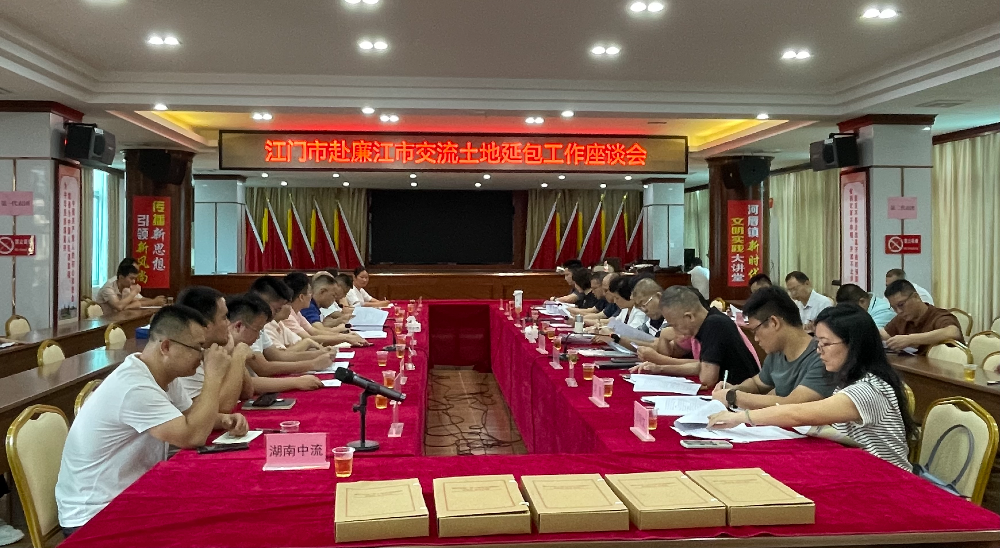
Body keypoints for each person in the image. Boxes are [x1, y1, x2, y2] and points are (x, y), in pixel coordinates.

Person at [55, 306, 249, 533]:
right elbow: (191, 436)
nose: (202, 355)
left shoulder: (163, 374)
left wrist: (223, 420)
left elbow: (189, 417)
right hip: (96, 513)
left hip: (131, 494)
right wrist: (213, 377)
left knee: (220, 506)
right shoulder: (134, 387)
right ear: (166, 347)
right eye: (197, 348)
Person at [708, 304, 915, 472]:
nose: (819, 351)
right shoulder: (848, 380)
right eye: (818, 343)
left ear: (853, 345)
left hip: (890, 478)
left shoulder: (869, 389)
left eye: (825, 344)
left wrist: (741, 417)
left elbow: (797, 413)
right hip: (860, 468)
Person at [711, 287, 836, 410]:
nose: (756, 339)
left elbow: (792, 404)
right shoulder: (777, 352)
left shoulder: (821, 356)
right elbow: (757, 384)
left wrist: (734, 397)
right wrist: (734, 389)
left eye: (755, 331)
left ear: (774, 322)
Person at [655, 285, 760, 386]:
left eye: (675, 325)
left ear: (689, 317)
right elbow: (701, 365)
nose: (675, 330)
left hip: (742, 393)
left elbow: (707, 379)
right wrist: (660, 369)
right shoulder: (709, 321)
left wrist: (661, 366)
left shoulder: (714, 324)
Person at [175, 286, 254, 410]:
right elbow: (220, 408)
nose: (228, 323)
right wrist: (238, 357)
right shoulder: (186, 356)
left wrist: (233, 352)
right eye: (224, 317)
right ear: (205, 324)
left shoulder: (212, 349)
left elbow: (246, 392)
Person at [225, 295, 324, 393]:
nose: (259, 337)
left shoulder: (238, 345)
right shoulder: (221, 348)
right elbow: (258, 374)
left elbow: (247, 387)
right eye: (222, 318)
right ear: (238, 326)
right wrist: (297, 380)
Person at [246, 277, 334, 375]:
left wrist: (319, 354)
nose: (276, 313)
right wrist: (312, 364)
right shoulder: (248, 326)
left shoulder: (261, 326)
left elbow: (278, 356)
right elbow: (263, 368)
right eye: (277, 309)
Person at [282, 273, 369, 347]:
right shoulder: (292, 314)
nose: (311, 295)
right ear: (301, 297)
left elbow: (314, 331)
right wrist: (344, 337)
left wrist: (345, 336)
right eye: (309, 293)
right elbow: (309, 338)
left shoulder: (297, 313)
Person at [882, 280, 963, 354]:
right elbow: (885, 334)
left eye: (901, 305)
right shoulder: (903, 318)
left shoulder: (938, 316)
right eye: (894, 308)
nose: (898, 311)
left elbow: (953, 332)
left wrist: (910, 339)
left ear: (916, 297)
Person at [94, 262, 167, 315]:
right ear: (121, 277)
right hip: (105, 323)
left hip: (120, 318)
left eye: (135, 279)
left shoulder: (125, 285)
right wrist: (134, 293)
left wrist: (155, 301)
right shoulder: (108, 288)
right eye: (131, 278)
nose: (134, 281)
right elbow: (119, 306)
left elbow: (140, 300)